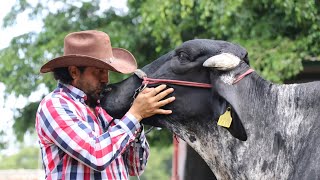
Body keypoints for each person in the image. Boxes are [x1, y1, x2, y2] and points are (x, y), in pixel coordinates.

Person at [35, 30, 175, 180]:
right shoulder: (54, 105)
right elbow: (96, 156)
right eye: (99, 71)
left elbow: (135, 167)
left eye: (107, 71)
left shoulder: (106, 106)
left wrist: (137, 121)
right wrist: (135, 115)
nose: (105, 79)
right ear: (74, 72)